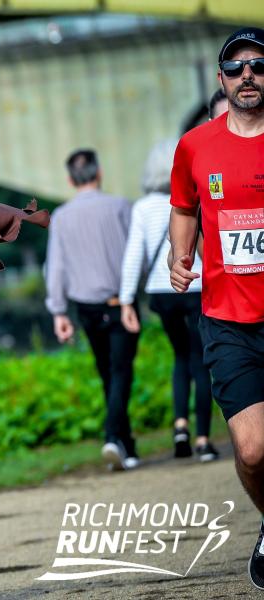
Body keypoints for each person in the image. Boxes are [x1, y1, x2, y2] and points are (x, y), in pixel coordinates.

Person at [168, 27, 264, 590]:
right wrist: (180, 255)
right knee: (252, 452)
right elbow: (184, 207)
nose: (248, 74)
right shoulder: (195, 146)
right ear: (221, 78)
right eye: (237, 66)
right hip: (228, 320)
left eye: (259, 64)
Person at [119, 140, 217, 462]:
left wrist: (126, 301)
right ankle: (203, 439)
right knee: (200, 359)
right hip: (196, 287)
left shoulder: (143, 208)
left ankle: (179, 428)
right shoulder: (195, 197)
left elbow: (135, 255)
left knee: (179, 357)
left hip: (163, 294)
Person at [45, 149, 139, 471]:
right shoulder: (121, 207)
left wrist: (58, 312)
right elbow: (135, 254)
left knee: (107, 371)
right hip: (121, 302)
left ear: (70, 179)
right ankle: (114, 437)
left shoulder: (61, 217)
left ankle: (126, 444)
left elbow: (54, 267)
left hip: (85, 307)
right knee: (121, 370)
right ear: (99, 173)